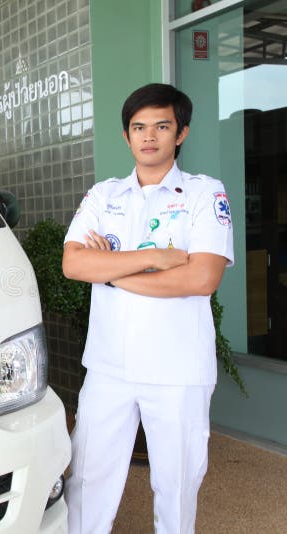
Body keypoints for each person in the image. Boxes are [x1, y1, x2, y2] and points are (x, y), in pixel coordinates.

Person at [61, 83, 234, 533]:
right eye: (139, 127)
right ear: (126, 136)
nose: (149, 136)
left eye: (162, 126)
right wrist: (153, 258)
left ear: (181, 133)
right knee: (87, 479)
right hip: (108, 366)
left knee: (176, 485)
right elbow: (75, 262)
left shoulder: (203, 193)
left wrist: (112, 272)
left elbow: (201, 278)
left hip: (178, 369)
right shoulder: (104, 196)